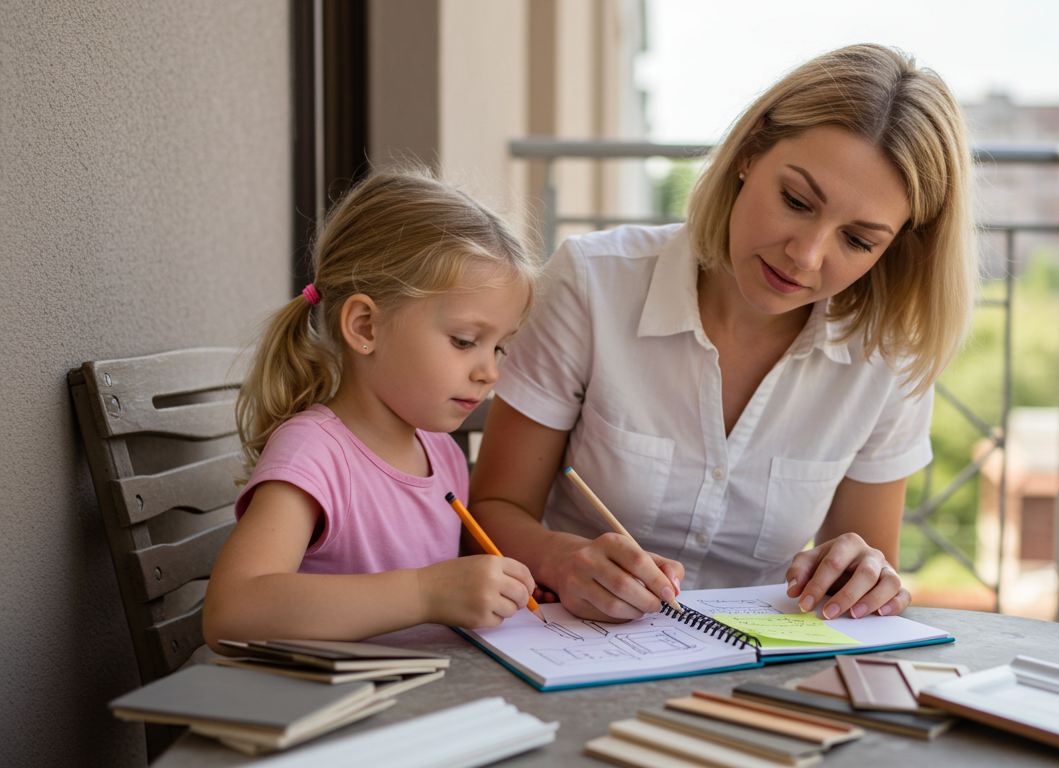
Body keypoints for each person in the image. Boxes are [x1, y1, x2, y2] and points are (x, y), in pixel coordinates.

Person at [468, 44, 976, 624]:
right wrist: (563, 560)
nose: (806, 257)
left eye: (858, 241)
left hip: (759, 668)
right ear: (751, 149)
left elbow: (863, 568)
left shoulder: (888, 355)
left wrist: (862, 574)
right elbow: (492, 510)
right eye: (795, 200)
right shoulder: (593, 283)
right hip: (570, 639)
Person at [203, 168, 543, 650]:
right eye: (465, 341)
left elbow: (459, 581)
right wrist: (425, 593)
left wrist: (508, 585)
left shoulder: (441, 453)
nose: (489, 372)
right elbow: (231, 612)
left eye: (499, 348)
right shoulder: (313, 452)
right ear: (365, 326)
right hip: (333, 713)